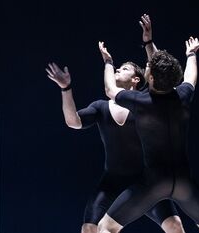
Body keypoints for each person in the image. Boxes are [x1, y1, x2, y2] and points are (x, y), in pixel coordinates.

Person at [46, 18, 183, 233]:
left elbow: (159, 72)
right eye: (117, 67)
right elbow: (73, 122)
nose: (118, 69)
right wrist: (66, 88)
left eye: (125, 68)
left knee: (175, 225)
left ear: (136, 80)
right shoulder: (100, 107)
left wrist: (148, 43)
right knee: (89, 229)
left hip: (145, 181)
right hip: (112, 181)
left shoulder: (145, 102)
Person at [96, 38, 199, 233]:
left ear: (152, 79)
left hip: (154, 181)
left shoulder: (140, 101)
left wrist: (108, 62)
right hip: (184, 182)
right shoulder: (183, 95)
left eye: (148, 68)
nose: (147, 66)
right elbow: (191, 76)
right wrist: (191, 54)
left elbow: (110, 90)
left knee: (106, 227)